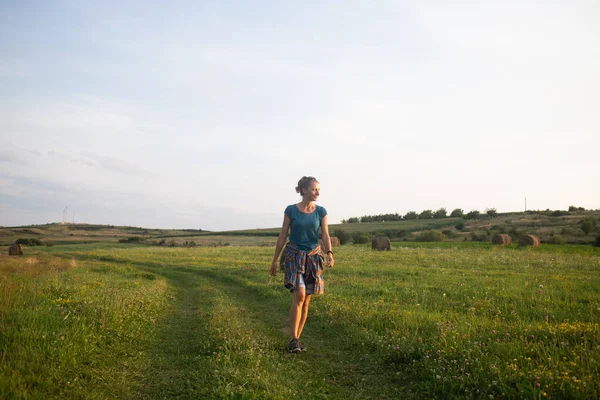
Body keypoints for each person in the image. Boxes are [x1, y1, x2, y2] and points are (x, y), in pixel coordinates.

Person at [269, 176, 335, 353]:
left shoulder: (321, 211)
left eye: (319, 189)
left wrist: (330, 253)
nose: (318, 192)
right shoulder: (291, 210)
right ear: (304, 190)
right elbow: (283, 235)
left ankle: (296, 339)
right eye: (314, 189)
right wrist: (275, 260)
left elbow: (326, 235)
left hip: (314, 257)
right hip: (294, 256)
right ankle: (293, 338)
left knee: (306, 301)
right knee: (300, 295)